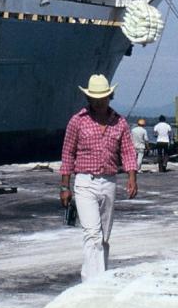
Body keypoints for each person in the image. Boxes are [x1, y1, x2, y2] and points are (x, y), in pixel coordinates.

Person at [59, 74, 138, 280]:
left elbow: (128, 152)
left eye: (103, 97)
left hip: (109, 181)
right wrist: (64, 186)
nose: (99, 101)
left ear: (110, 96)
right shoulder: (77, 122)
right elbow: (68, 153)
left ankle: (95, 276)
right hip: (85, 182)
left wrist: (132, 178)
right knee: (92, 235)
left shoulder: (119, 122)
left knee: (103, 238)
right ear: (89, 99)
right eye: (95, 98)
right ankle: (94, 284)